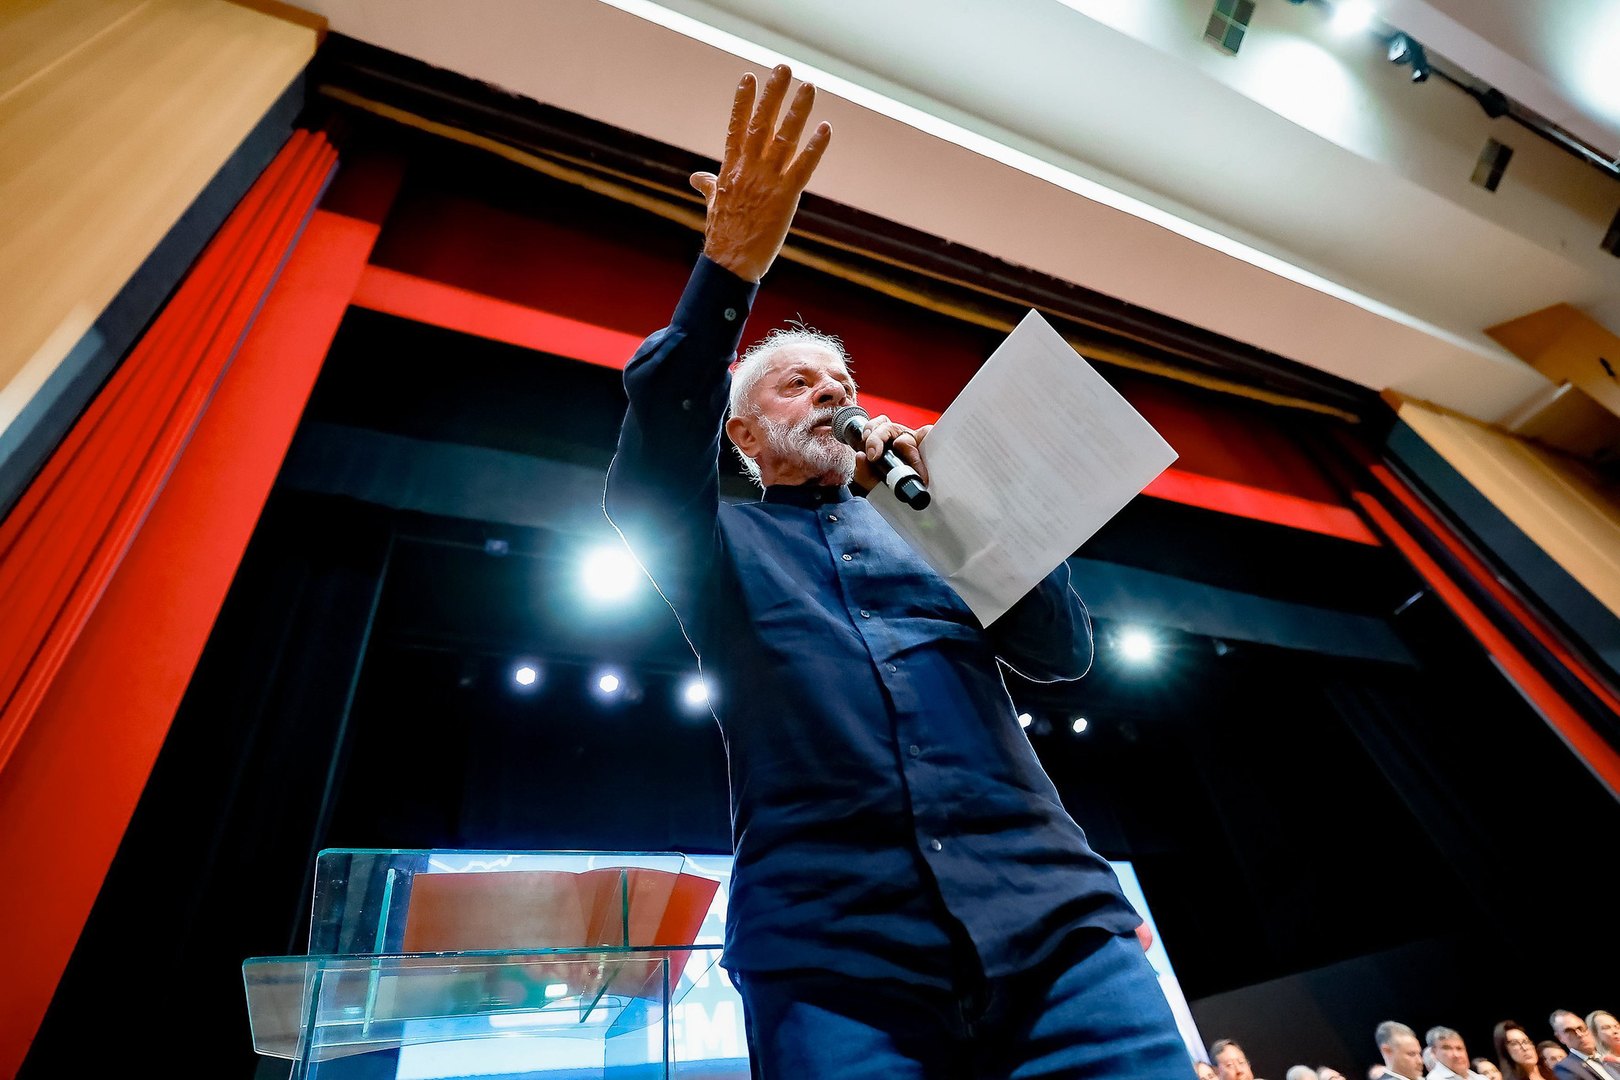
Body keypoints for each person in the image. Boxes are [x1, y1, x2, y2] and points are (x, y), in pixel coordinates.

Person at [604, 62, 1189, 1078]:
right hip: (833, 958)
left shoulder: (930, 529)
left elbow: (1062, 650)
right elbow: (655, 454)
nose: (831, 394)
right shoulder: (716, 545)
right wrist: (729, 272)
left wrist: (962, 511)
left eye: (843, 382)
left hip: (1059, 934)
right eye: (797, 385)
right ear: (744, 433)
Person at [1551, 1011, 1620, 1080]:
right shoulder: (1566, 1067)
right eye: (1570, 1031)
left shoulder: (1609, 1059)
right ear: (1560, 1038)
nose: (1580, 1034)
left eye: (1581, 1028)